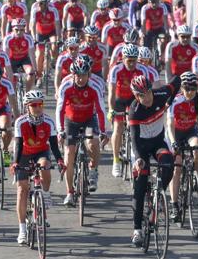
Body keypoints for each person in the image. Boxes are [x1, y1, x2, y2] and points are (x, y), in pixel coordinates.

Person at [128, 74, 181, 245]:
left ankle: (159, 195)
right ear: (136, 96)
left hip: (158, 141)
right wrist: (137, 159)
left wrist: (170, 101)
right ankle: (137, 230)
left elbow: (177, 81)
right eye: (142, 95)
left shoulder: (161, 94)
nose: (148, 98)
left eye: (149, 92)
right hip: (141, 147)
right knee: (140, 184)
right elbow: (134, 139)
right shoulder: (134, 110)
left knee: (169, 163)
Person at [11, 90, 64, 243]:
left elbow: (54, 145)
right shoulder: (20, 122)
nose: (38, 107)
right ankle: (22, 230)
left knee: (46, 165)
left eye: (40, 104)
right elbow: (19, 144)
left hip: (41, 152)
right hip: (24, 154)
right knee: (22, 191)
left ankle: (45, 195)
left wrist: (60, 160)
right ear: (27, 106)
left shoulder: (49, 121)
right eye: (34, 105)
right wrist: (15, 163)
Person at [56, 58, 108, 201]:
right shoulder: (65, 86)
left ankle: (93, 171)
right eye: (77, 75)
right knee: (68, 153)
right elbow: (60, 109)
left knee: (92, 143)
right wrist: (60, 130)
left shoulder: (94, 87)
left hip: (88, 121)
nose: (80, 79)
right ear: (72, 75)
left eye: (83, 75)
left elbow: (101, 110)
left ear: (88, 75)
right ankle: (70, 192)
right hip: (70, 121)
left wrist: (103, 131)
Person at [167, 72, 198, 222]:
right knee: (177, 167)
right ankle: (174, 205)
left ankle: (195, 175)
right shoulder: (174, 100)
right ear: (181, 88)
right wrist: (174, 143)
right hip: (176, 133)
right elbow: (169, 125)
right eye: (187, 88)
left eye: (193, 88)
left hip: (190, 131)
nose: (190, 92)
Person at [108, 44, 150, 176]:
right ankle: (116, 161)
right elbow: (111, 93)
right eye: (129, 60)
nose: (132, 63)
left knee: (135, 125)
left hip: (134, 99)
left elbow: (147, 91)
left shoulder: (142, 69)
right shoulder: (116, 69)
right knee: (118, 126)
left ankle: (136, 154)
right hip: (119, 99)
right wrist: (110, 109)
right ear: (123, 58)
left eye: (134, 60)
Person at [29, 0, 60, 87]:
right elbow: (32, 25)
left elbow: (57, 25)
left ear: (47, 3)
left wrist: (59, 37)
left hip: (51, 32)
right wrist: (34, 38)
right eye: (39, 3)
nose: (39, 5)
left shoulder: (53, 10)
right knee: (39, 55)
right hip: (40, 33)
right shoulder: (35, 11)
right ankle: (38, 77)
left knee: (54, 45)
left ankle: (53, 61)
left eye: (42, 3)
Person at [3, 18, 37, 91]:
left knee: (31, 72)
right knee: (12, 83)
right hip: (11, 60)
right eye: (16, 30)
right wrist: (6, 69)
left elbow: (32, 55)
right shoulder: (8, 38)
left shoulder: (28, 38)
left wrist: (34, 68)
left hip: (24, 60)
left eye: (22, 30)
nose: (19, 32)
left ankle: (27, 93)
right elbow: (5, 56)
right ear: (12, 29)